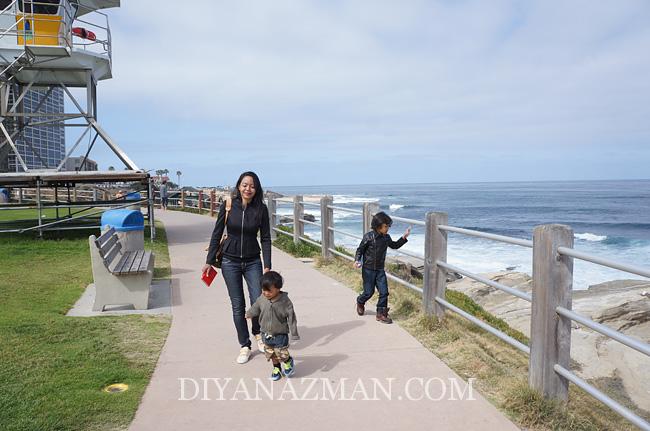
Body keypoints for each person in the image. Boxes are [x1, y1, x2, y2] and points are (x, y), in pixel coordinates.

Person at [202, 171, 272, 364]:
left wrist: (267, 265)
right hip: (229, 261)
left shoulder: (261, 209)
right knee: (237, 305)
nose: (248, 189)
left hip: (253, 261)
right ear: (239, 186)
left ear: (256, 189)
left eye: (252, 186)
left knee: (258, 300)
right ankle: (245, 345)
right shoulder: (228, 205)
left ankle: (258, 333)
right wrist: (209, 261)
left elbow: (265, 238)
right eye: (244, 185)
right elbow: (217, 234)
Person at [354, 212, 411, 324]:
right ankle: (360, 301)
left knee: (384, 292)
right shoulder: (368, 237)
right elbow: (360, 250)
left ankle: (381, 314)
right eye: (386, 226)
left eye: (388, 226)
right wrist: (357, 260)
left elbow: (394, 245)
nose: (387, 228)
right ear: (378, 225)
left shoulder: (386, 238)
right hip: (368, 270)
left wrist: (404, 238)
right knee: (368, 292)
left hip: (380, 270)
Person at [246, 271, 299, 381]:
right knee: (271, 354)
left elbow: (291, 317)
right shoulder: (262, 298)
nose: (265, 293)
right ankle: (277, 369)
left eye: (269, 290)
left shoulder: (285, 301)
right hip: (265, 333)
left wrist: (294, 333)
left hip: (280, 334)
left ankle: (288, 361)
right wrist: (250, 313)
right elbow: (256, 306)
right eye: (263, 290)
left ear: (278, 289)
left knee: (281, 353)